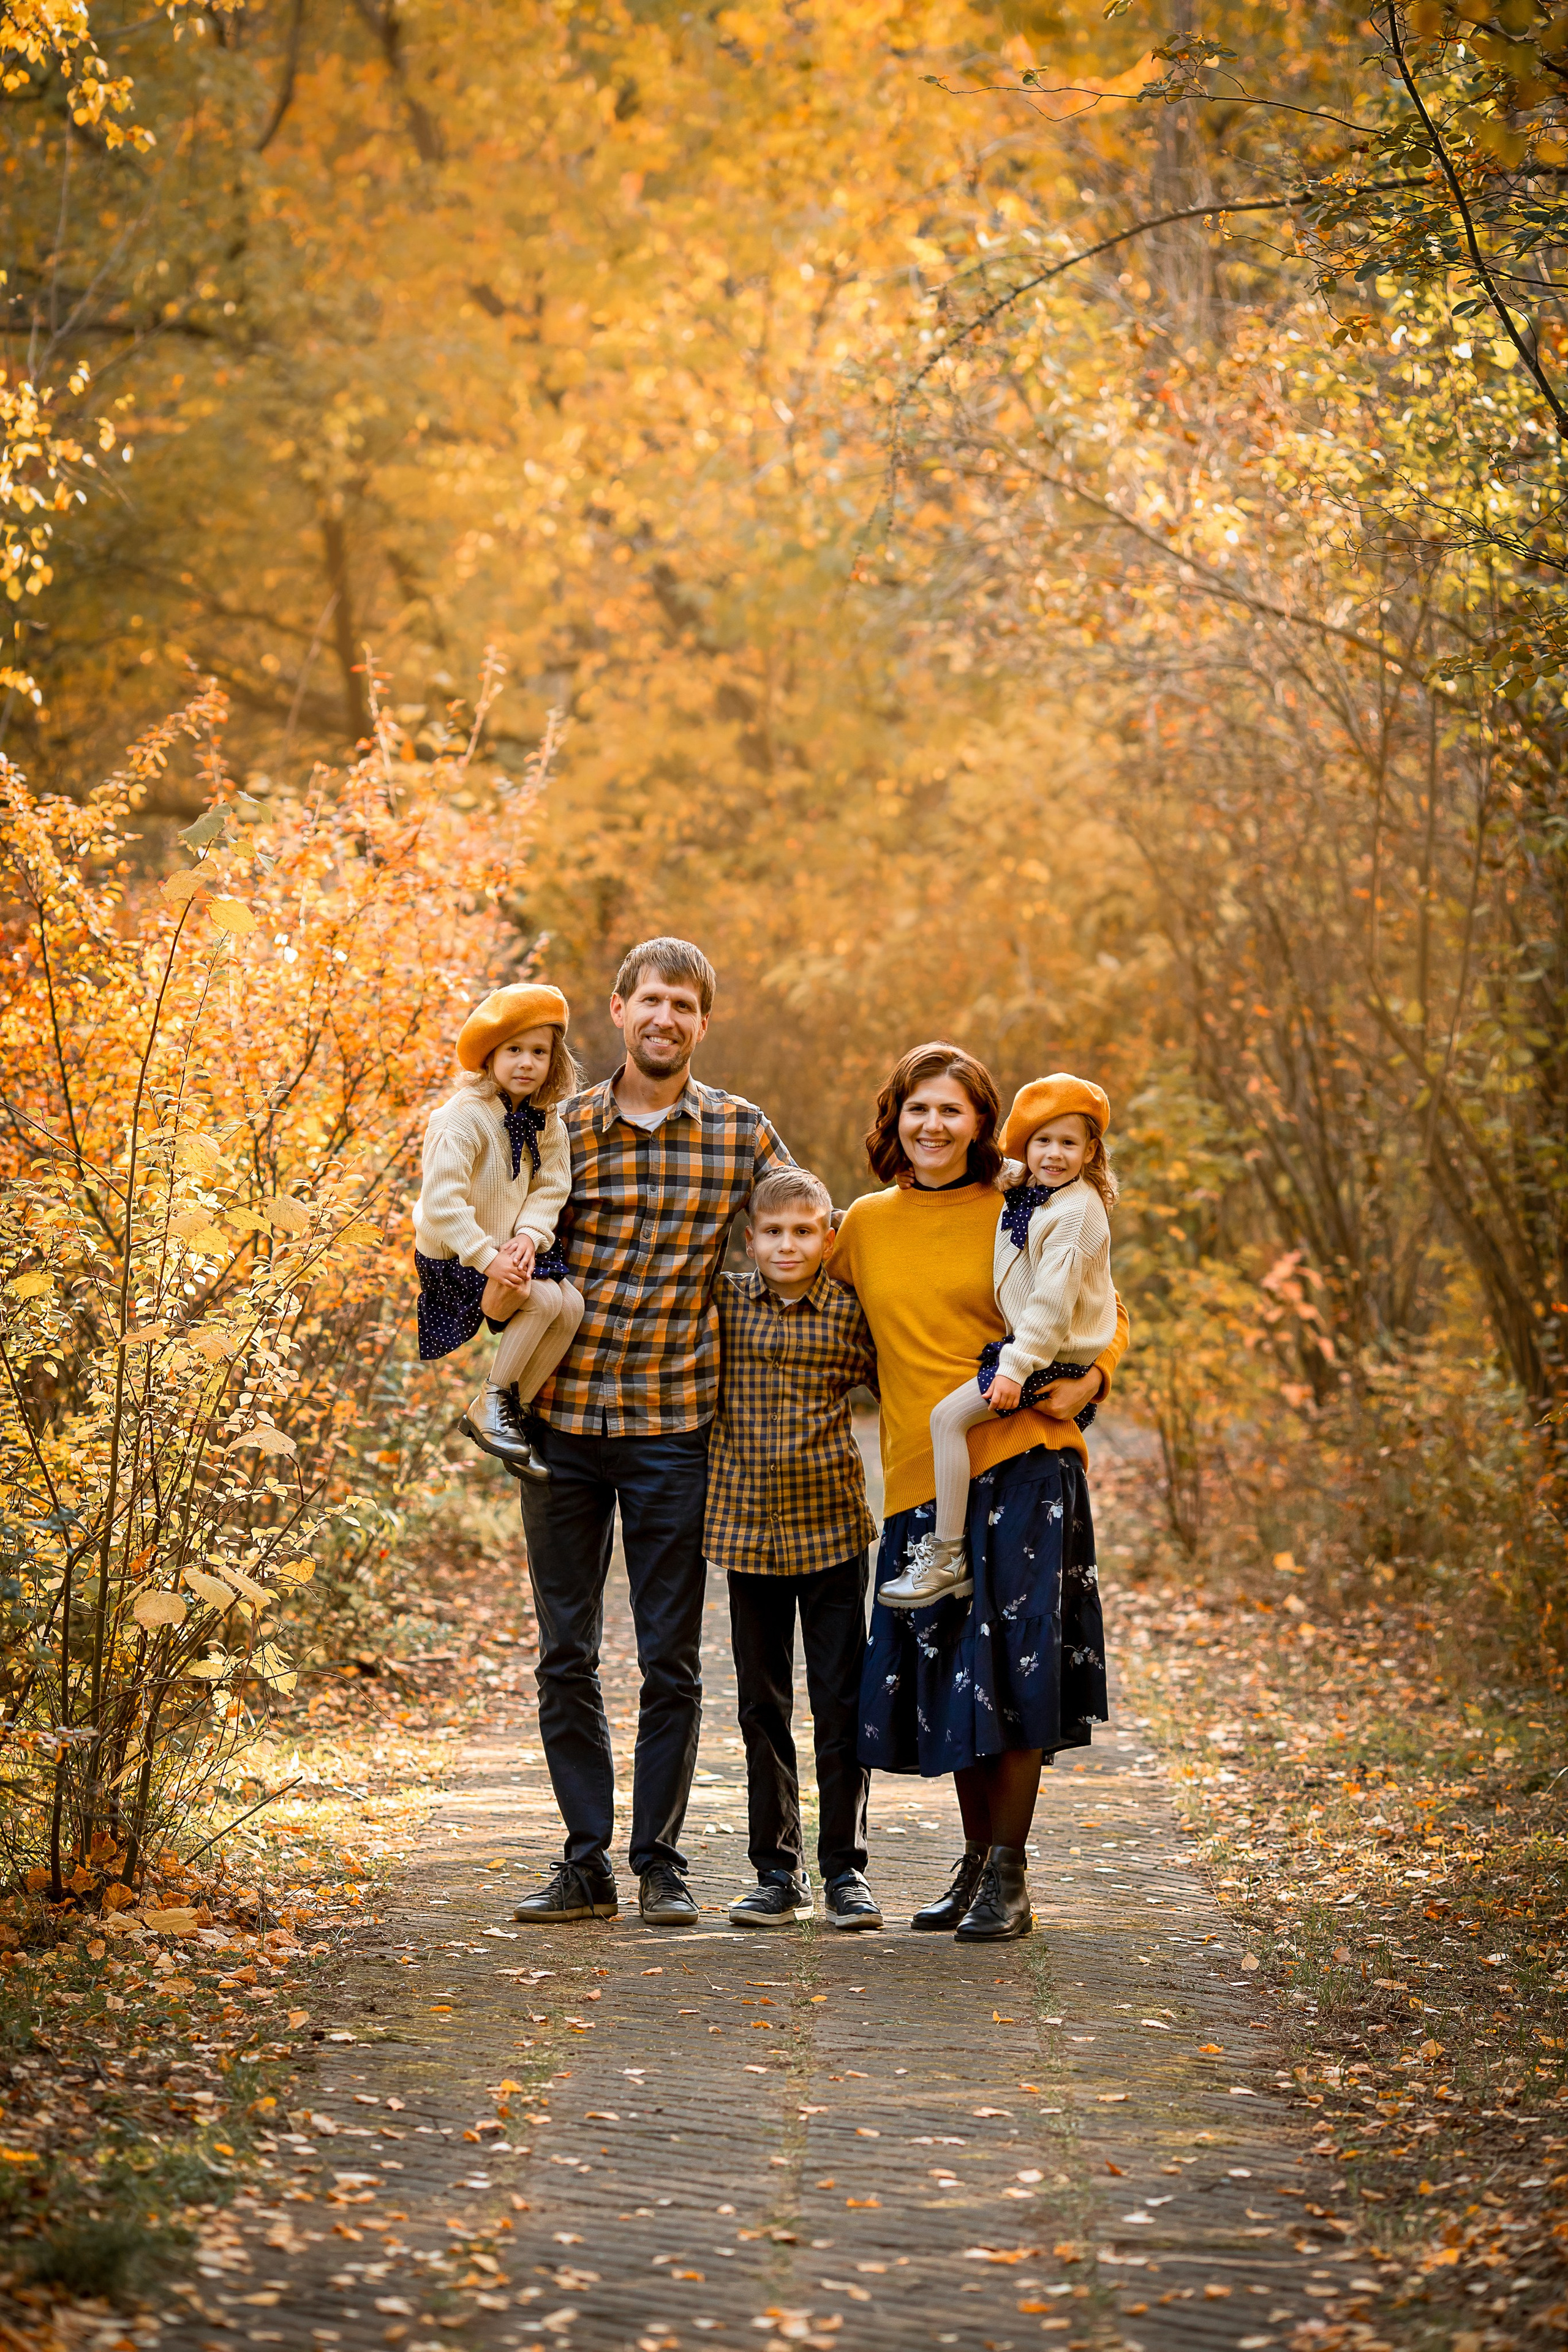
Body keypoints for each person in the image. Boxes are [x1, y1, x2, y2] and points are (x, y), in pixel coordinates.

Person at [511, 937, 792, 1929]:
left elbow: (800, 1246)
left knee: (670, 1658)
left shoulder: (741, 1134)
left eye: (685, 1005)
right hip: (563, 1427)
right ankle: (584, 1862)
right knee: (566, 1653)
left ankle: (660, 1863)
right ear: (619, 1009)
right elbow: (502, 1250)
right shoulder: (559, 1128)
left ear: (702, 1024)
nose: (666, 1018)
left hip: (676, 1429)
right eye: (651, 1000)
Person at [829, 1042, 1128, 1944]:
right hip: (924, 1476)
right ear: (895, 1117)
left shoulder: (1022, 1202)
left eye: (952, 1110)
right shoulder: (864, 1227)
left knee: (1017, 1670)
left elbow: (1100, 1304)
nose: (932, 1125)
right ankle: (971, 1861)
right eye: (917, 1108)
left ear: (980, 1123)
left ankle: (1010, 1871)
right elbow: (793, 1288)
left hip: (1027, 1459)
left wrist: (1097, 1379)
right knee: (957, 1675)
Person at [706, 1167, 882, 1931]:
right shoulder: (720, 1307)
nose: (787, 1245)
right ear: (750, 1241)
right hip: (747, 1534)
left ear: (827, 1238)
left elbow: (911, 1376)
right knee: (761, 1707)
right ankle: (776, 1873)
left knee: (840, 1703)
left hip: (833, 1529)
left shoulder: (850, 1314)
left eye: (803, 1231)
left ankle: (845, 1871)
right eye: (773, 1232)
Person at [880, 1074, 1118, 1611]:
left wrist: (1021, 1369)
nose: (1053, 1155)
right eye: (1041, 1141)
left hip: (1041, 1358)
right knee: (949, 1421)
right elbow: (978, 1169)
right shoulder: (1027, 1187)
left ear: (1091, 1150)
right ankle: (947, 1555)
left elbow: (1058, 1306)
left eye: (1068, 1143)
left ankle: (946, 1557)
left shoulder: (1076, 1213)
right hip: (1030, 1355)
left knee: (948, 1418)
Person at [413, 982, 584, 1484]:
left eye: (539, 1052)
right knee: (541, 1302)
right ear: (491, 1055)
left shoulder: (545, 1118)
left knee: (570, 1305)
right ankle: (492, 1404)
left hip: (509, 1245)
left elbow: (554, 1184)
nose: (527, 1063)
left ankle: (508, 1414)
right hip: (457, 1253)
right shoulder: (461, 1117)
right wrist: (488, 1258)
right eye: (514, 1050)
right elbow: (442, 1203)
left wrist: (529, 1236)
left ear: (555, 1061)